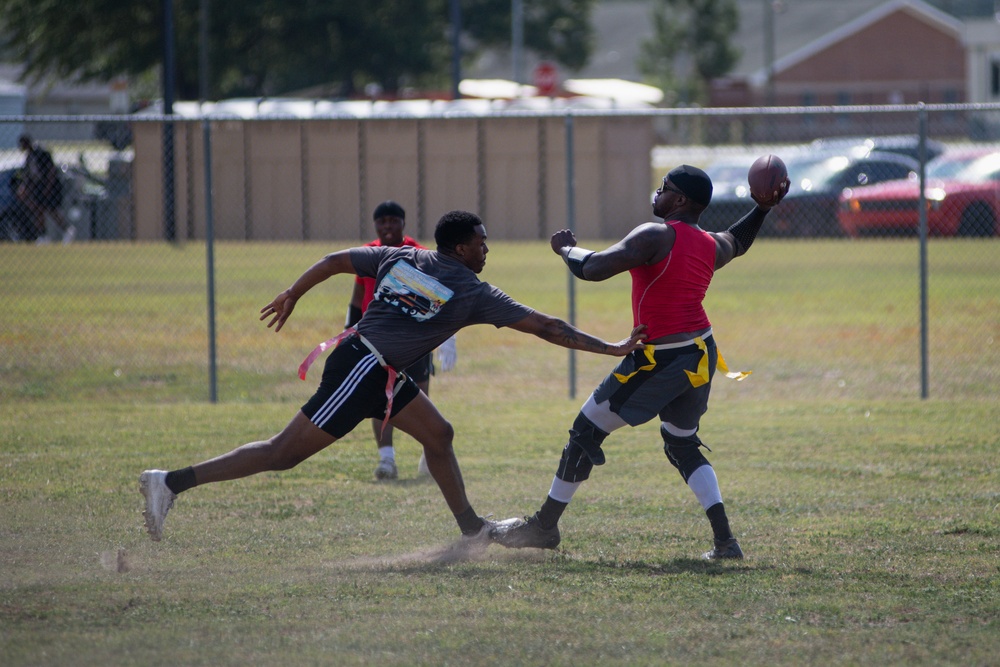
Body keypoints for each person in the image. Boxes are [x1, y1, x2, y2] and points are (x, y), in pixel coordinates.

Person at [139, 210, 646, 544]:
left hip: (377, 369)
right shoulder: (469, 290)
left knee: (439, 435)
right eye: (481, 243)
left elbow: (336, 260)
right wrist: (611, 348)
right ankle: (170, 483)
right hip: (362, 367)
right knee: (282, 454)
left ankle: (472, 530)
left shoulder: (404, 257)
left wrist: (295, 291)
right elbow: (547, 327)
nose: (487, 250)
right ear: (460, 247)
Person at [493, 164, 789, 560]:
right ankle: (725, 542)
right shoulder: (710, 243)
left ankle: (544, 527)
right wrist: (762, 208)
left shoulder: (655, 234)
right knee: (681, 443)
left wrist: (565, 247)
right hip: (700, 352)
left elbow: (594, 268)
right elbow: (738, 240)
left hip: (659, 359)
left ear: (680, 200)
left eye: (664, 188)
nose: (658, 192)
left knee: (585, 430)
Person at [347, 200, 456, 481]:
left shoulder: (418, 253)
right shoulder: (368, 254)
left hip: (413, 335)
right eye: (382, 222)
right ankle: (386, 460)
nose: (387, 226)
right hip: (376, 338)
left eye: (392, 221)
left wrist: (447, 338)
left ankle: (429, 453)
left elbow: (439, 294)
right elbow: (358, 299)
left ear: (402, 223)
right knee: (377, 397)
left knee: (420, 394)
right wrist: (349, 331)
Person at [16, 134, 74, 244]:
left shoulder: (41, 153)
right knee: (39, 211)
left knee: (53, 211)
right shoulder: (29, 158)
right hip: (38, 188)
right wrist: (24, 188)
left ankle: (68, 230)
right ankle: (43, 235)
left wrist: (48, 187)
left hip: (49, 187)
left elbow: (51, 171)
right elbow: (28, 176)